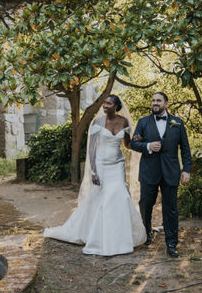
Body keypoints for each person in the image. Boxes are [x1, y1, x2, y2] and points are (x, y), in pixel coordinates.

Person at [43, 94, 146, 256]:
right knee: (101, 199)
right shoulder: (97, 122)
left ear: (116, 106)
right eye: (104, 103)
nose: (105, 105)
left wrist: (138, 140)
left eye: (109, 103)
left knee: (120, 196)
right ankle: (99, 237)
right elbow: (92, 148)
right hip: (101, 165)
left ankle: (120, 237)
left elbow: (127, 144)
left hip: (117, 165)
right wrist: (93, 171)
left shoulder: (124, 122)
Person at [130, 92, 191, 258]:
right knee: (146, 205)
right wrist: (148, 145)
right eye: (153, 101)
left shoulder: (177, 123)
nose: (155, 103)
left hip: (171, 172)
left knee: (170, 209)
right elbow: (134, 143)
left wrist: (186, 169)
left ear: (166, 103)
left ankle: (171, 243)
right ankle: (146, 234)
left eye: (158, 101)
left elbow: (185, 148)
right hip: (149, 171)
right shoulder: (143, 122)